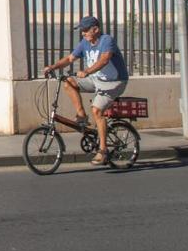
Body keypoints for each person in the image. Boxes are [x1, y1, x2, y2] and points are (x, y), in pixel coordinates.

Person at [42, 15, 129, 165]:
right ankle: (81, 115)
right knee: (68, 81)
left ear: (96, 29)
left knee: (97, 110)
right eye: (81, 30)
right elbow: (70, 59)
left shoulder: (106, 40)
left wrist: (87, 71)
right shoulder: (85, 43)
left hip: (114, 82)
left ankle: (103, 151)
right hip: (96, 80)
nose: (83, 33)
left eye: (85, 30)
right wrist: (52, 67)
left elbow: (104, 59)